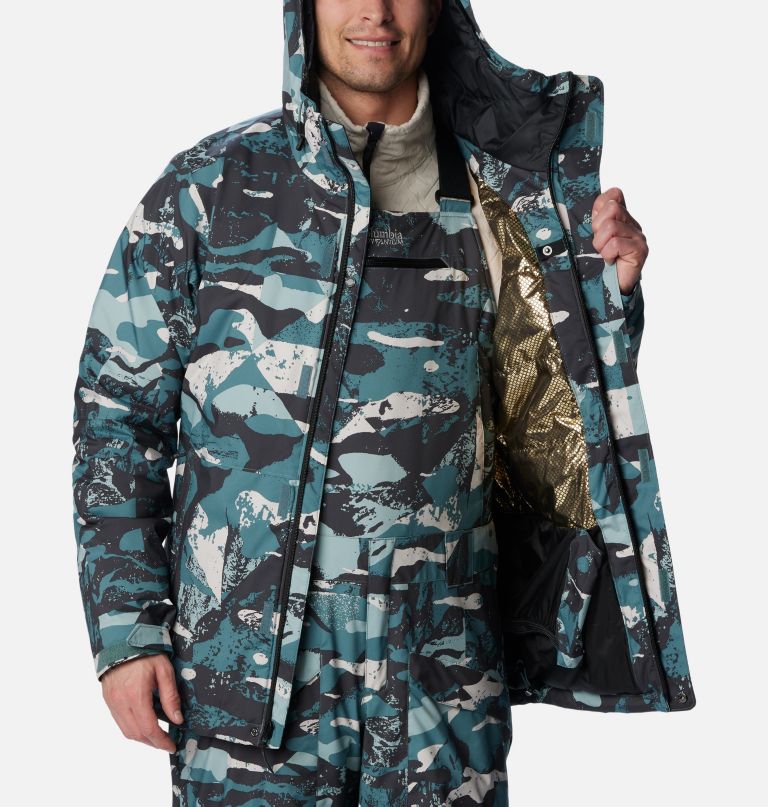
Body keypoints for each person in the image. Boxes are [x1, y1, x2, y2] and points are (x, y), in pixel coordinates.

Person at [71, 1, 696, 805]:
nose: (375, 10)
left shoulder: (507, 199)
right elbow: (115, 415)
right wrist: (127, 630)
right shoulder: (209, 192)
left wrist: (606, 306)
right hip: (245, 695)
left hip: (441, 700)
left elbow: (554, 423)